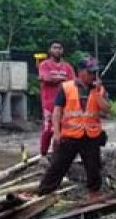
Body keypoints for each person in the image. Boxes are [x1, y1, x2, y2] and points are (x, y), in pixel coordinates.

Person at [37, 57, 110, 200]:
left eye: (95, 73)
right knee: (58, 165)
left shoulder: (99, 89)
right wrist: (56, 133)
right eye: (91, 73)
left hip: (91, 135)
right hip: (70, 135)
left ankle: (94, 194)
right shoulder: (66, 87)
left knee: (93, 166)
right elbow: (57, 111)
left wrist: (96, 92)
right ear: (81, 72)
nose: (94, 76)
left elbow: (106, 109)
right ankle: (44, 192)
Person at [37, 42, 75, 157]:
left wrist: (56, 79)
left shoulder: (67, 67)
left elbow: (73, 82)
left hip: (65, 103)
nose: (57, 50)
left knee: (62, 130)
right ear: (50, 50)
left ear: (62, 50)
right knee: (48, 129)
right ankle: (43, 154)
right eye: (55, 48)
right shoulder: (44, 65)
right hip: (49, 104)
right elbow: (46, 78)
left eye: (59, 48)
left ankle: (57, 155)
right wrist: (62, 78)